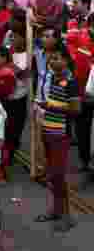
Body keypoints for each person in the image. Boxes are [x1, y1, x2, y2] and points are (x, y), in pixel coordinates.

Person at [35, 46, 79, 231]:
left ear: (66, 61)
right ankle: (56, 210)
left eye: (57, 59)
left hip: (61, 135)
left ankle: (67, 216)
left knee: (59, 175)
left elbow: (75, 110)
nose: (52, 62)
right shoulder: (52, 78)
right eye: (51, 59)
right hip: (48, 131)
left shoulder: (71, 82)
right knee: (52, 175)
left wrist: (50, 107)